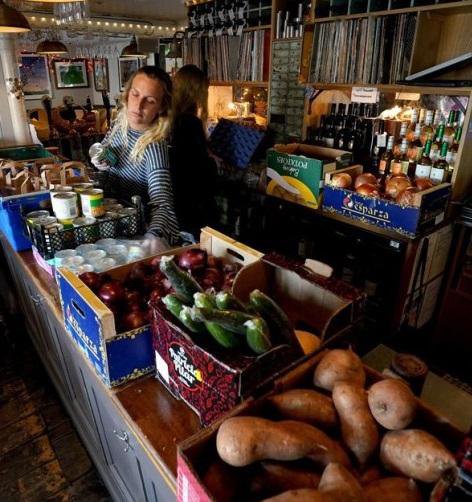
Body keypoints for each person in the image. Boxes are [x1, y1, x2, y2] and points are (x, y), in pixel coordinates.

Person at [91, 66, 180, 252]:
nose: (138, 106)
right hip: (109, 218)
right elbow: (105, 147)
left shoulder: (154, 145)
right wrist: (99, 159)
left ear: (162, 106)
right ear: (127, 93)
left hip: (134, 234)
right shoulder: (120, 122)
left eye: (150, 100)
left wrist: (153, 235)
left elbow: (161, 200)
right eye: (135, 94)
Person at [169, 64, 218, 242]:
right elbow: (200, 172)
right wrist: (214, 162)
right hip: (193, 204)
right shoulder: (190, 122)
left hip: (174, 200)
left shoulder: (168, 119)